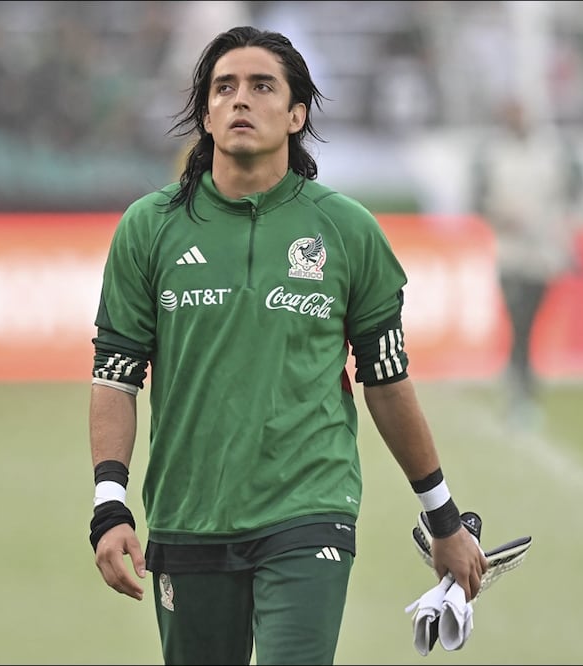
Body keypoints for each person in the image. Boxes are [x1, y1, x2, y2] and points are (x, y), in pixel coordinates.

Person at [87, 26, 488, 665]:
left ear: (296, 113)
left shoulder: (347, 230)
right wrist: (111, 504)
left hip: (309, 512)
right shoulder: (148, 229)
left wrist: (443, 517)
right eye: (224, 88)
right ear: (206, 114)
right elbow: (115, 377)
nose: (240, 100)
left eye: (261, 86)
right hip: (187, 515)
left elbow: (386, 382)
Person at [471, 98, 582, 430]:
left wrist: (563, 226)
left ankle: (521, 384)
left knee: (530, 322)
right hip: (510, 251)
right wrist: (500, 215)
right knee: (517, 319)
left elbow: (575, 189)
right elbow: (477, 198)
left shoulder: (552, 150)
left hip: (544, 251)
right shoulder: (493, 153)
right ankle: (519, 386)